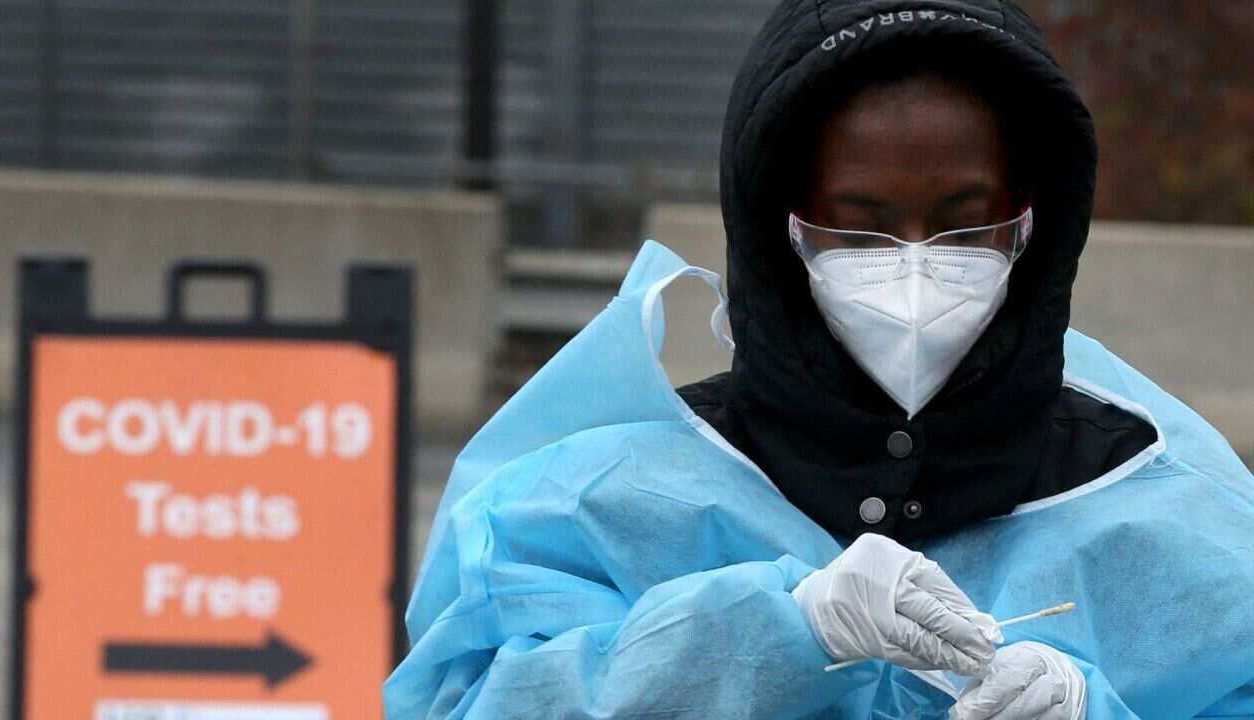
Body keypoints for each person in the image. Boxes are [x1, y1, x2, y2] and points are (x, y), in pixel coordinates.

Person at [385, 2, 1254, 718]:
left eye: (963, 218)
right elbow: (470, 699)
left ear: (1036, 221)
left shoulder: (1166, 507)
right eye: (861, 222)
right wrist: (774, 631)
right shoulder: (612, 496)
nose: (915, 264)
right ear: (780, 225)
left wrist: (1085, 708)